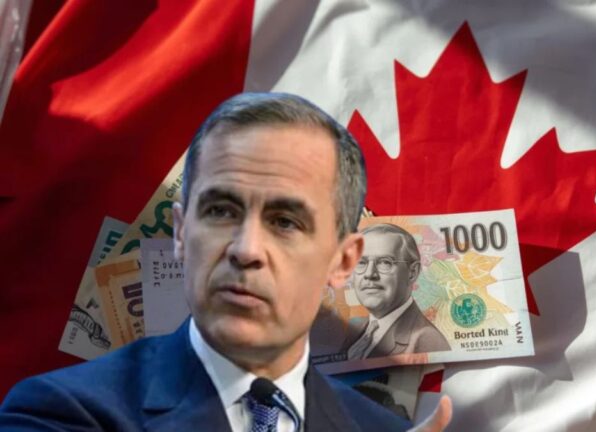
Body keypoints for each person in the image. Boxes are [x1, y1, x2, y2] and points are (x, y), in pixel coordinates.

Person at [0, 93, 451, 432]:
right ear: (181, 232)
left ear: (343, 261)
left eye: (285, 222)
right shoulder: (57, 412)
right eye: (220, 212)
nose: (246, 249)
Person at [344, 224, 451, 360]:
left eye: (385, 262)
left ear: (412, 272)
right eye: (361, 263)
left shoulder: (427, 340)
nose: (369, 274)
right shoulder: (354, 329)